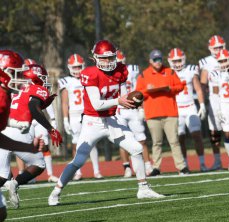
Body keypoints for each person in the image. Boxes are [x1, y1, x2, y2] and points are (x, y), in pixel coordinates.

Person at [48, 40, 164, 206]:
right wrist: (120, 101)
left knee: (137, 148)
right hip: (92, 122)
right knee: (79, 160)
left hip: (111, 120)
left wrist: (133, 103)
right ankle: (56, 191)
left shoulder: (121, 70)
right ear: (95, 58)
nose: (108, 62)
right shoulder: (90, 73)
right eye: (103, 58)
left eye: (110, 58)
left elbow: (124, 95)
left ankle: (143, 188)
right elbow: (97, 104)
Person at [2, 63, 62, 209]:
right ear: (36, 77)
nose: (45, 80)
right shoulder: (38, 88)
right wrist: (51, 129)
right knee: (40, 164)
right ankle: (16, 183)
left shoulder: (18, 91)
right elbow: (33, 108)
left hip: (3, 131)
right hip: (19, 132)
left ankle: (11, 183)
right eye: (43, 77)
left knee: (2, 176)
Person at [0, 50, 44, 222]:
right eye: (14, 72)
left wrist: (17, 127)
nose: (19, 77)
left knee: (1, 213)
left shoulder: (5, 95)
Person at [135, 49, 187, 176]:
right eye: (155, 60)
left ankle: (181, 167)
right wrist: (148, 90)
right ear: (150, 61)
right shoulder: (144, 75)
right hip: (153, 114)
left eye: (159, 59)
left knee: (174, 141)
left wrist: (170, 89)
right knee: (156, 142)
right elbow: (138, 93)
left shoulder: (170, 71)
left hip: (170, 113)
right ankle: (156, 167)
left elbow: (180, 86)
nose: (158, 62)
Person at [59, 53, 103, 180]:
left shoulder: (89, 77)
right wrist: (65, 119)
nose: (77, 70)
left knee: (92, 142)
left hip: (88, 113)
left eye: (79, 67)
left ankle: (96, 170)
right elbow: (65, 102)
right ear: (69, 67)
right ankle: (77, 172)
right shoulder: (66, 81)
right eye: (75, 67)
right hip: (74, 115)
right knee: (75, 144)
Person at [167, 48, 209, 172]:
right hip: (176, 109)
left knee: (197, 135)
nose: (177, 63)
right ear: (170, 61)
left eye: (179, 60)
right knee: (180, 138)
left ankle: (202, 164)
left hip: (190, 106)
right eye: (174, 61)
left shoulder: (191, 70)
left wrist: (202, 105)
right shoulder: (168, 73)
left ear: (183, 59)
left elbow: (198, 88)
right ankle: (184, 166)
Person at [116, 50, 153, 177]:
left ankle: (148, 165)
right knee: (122, 140)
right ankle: (126, 167)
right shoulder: (107, 75)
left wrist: (142, 108)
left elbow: (139, 89)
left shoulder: (133, 70)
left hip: (133, 108)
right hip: (119, 110)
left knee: (141, 139)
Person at [198, 35, 226, 170]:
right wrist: (203, 102)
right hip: (214, 98)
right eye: (215, 48)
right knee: (214, 131)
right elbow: (203, 84)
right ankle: (217, 161)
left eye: (220, 47)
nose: (218, 50)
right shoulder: (206, 62)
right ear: (210, 48)